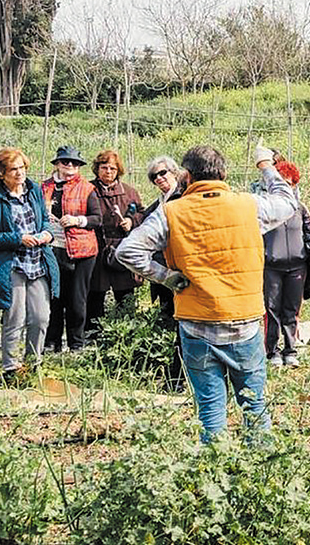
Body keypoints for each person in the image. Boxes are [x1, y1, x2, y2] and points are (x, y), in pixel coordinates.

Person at [116, 145, 297, 442]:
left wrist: (166, 277)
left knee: (211, 410)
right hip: (244, 321)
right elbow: (287, 201)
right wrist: (265, 165)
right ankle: (261, 477)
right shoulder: (248, 205)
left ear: (186, 176)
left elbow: (128, 250)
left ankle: (213, 473)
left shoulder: (170, 212)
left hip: (196, 322)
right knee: (254, 406)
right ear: (223, 174)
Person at [0, 149, 59, 384]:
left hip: (37, 260)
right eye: (13, 169)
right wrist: (17, 238)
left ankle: (33, 364)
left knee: (41, 316)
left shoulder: (34, 191)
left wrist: (47, 235)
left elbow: (44, 221)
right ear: (2, 173)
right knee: (15, 316)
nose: (19, 173)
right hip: (11, 264)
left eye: (22, 167)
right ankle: (10, 368)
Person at [42, 145, 101, 352]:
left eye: (74, 163)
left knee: (77, 301)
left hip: (82, 251)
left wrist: (77, 220)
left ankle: (76, 343)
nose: (70, 166)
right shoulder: (44, 187)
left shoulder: (87, 188)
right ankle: (52, 342)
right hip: (52, 248)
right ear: (57, 164)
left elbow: (97, 219)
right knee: (54, 298)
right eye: (65, 162)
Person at [262, 161, 310, 368]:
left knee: (291, 310)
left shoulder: (300, 208)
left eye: (289, 183)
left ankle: (290, 350)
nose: (286, 187)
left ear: (295, 185)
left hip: (297, 266)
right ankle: (272, 351)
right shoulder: (266, 207)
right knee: (272, 309)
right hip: (272, 266)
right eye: (281, 183)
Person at [86, 150, 144, 332]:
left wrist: (131, 221)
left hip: (122, 249)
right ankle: (93, 335)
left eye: (113, 168)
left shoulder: (129, 192)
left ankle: (126, 333)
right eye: (104, 167)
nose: (108, 172)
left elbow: (142, 214)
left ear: (118, 170)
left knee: (125, 294)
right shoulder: (88, 189)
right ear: (97, 169)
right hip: (96, 247)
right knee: (95, 294)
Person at [142, 156, 186, 390]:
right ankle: (172, 375)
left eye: (163, 173)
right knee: (169, 321)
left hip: (180, 272)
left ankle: (177, 379)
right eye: (154, 177)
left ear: (175, 172)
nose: (159, 179)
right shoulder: (156, 205)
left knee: (183, 325)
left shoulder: (184, 199)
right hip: (161, 274)